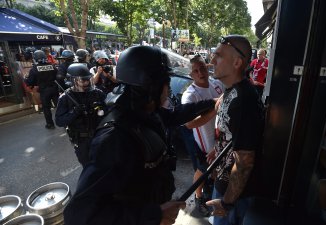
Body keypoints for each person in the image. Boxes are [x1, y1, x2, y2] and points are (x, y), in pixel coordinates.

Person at [63, 46, 217, 225]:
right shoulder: (115, 137)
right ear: (150, 86)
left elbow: (176, 114)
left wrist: (211, 102)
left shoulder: (145, 111)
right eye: (165, 81)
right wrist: (153, 215)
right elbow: (78, 215)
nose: (168, 87)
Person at [205, 35, 265, 225]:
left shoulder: (243, 101)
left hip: (233, 193)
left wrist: (227, 203)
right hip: (226, 184)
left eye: (218, 56)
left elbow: (245, 161)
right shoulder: (233, 90)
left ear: (237, 62)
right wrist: (218, 150)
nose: (212, 60)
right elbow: (232, 133)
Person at [181, 55, 224, 216]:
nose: (200, 73)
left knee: (213, 169)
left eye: (202, 68)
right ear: (191, 74)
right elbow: (189, 124)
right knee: (202, 169)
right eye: (195, 71)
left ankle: (207, 192)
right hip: (202, 140)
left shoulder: (217, 84)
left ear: (207, 68)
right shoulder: (190, 95)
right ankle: (198, 199)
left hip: (219, 136)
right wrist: (215, 107)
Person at [55, 63, 106, 166]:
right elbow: (59, 121)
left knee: (103, 163)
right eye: (82, 80)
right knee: (88, 167)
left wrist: (102, 107)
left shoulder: (97, 93)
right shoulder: (65, 98)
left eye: (87, 79)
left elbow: (110, 110)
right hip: (82, 140)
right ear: (72, 80)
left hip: (99, 136)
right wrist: (74, 112)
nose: (86, 83)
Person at [24, 50, 59, 129]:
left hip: (44, 91)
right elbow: (58, 75)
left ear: (35, 58)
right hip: (54, 88)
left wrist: (26, 79)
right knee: (59, 106)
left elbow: (30, 82)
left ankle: (50, 124)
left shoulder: (34, 69)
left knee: (46, 108)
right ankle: (64, 122)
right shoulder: (52, 66)